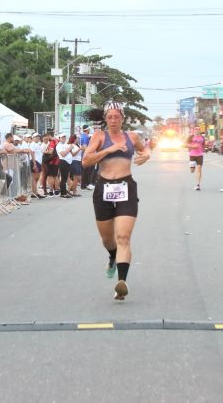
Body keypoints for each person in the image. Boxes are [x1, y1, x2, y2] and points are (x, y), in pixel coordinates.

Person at [82, 101, 150, 300]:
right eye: (110, 117)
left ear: (122, 118)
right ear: (105, 118)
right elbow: (86, 161)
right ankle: (112, 256)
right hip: (104, 188)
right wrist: (108, 150)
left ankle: (121, 284)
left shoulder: (132, 136)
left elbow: (144, 150)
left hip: (126, 188)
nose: (113, 120)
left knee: (123, 237)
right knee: (107, 239)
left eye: (117, 117)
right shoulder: (99, 136)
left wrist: (146, 156)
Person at [187, 126, 205, 190]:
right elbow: (187, 145)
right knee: (192, 170)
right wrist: (193, 147)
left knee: (199, 169)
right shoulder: (191, 137)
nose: (197, 130)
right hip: (192, 155)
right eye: (196, 129)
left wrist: (204, 149)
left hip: (200, 155)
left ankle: (198, 185)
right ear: (194, 130)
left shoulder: (202, 137)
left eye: (198, 129)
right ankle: (192, 168)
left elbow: (203, 145)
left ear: (200, 130)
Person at [55, 133, 73, 199]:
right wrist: (69, 148)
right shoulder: (58, 146)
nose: (64, 138)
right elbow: (63, 154)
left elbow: (70, 152)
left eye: (65, 137)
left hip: (68, 162)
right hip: (63, 162)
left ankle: (64, 192)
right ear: (59, 138)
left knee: (65, 178)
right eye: (62, 137)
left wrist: (70, 148)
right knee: (63, 178)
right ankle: (63, 193)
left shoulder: (65, 144)